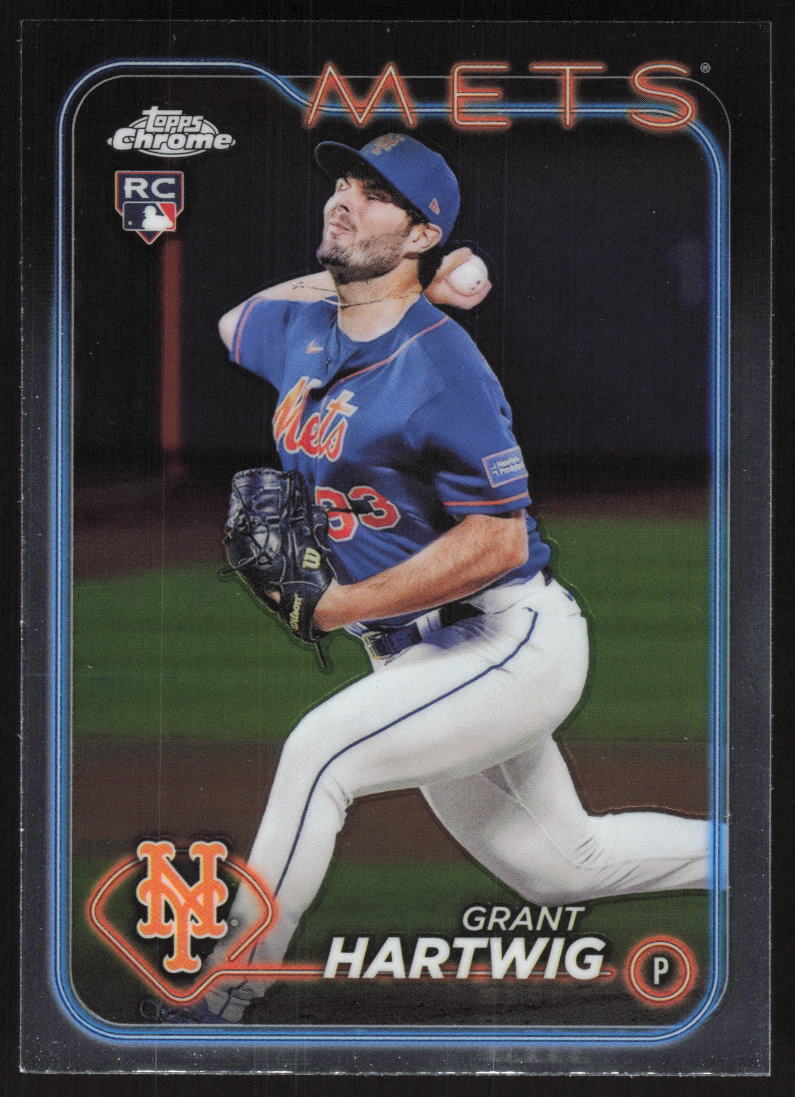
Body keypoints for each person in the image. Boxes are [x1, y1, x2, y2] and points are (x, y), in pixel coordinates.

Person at [152, 133, 710, 1024]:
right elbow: (231, 323)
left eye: (374, 194)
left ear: (421, 233)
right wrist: (394, 279)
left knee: (318, 756)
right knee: (561, 866)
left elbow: (497, 539)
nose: (343, 199)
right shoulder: (300, 330)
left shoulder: (444, 364)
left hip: (505, 638)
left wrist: (343, 605)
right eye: (343, 183)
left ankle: (224, 989)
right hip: (416, 658)